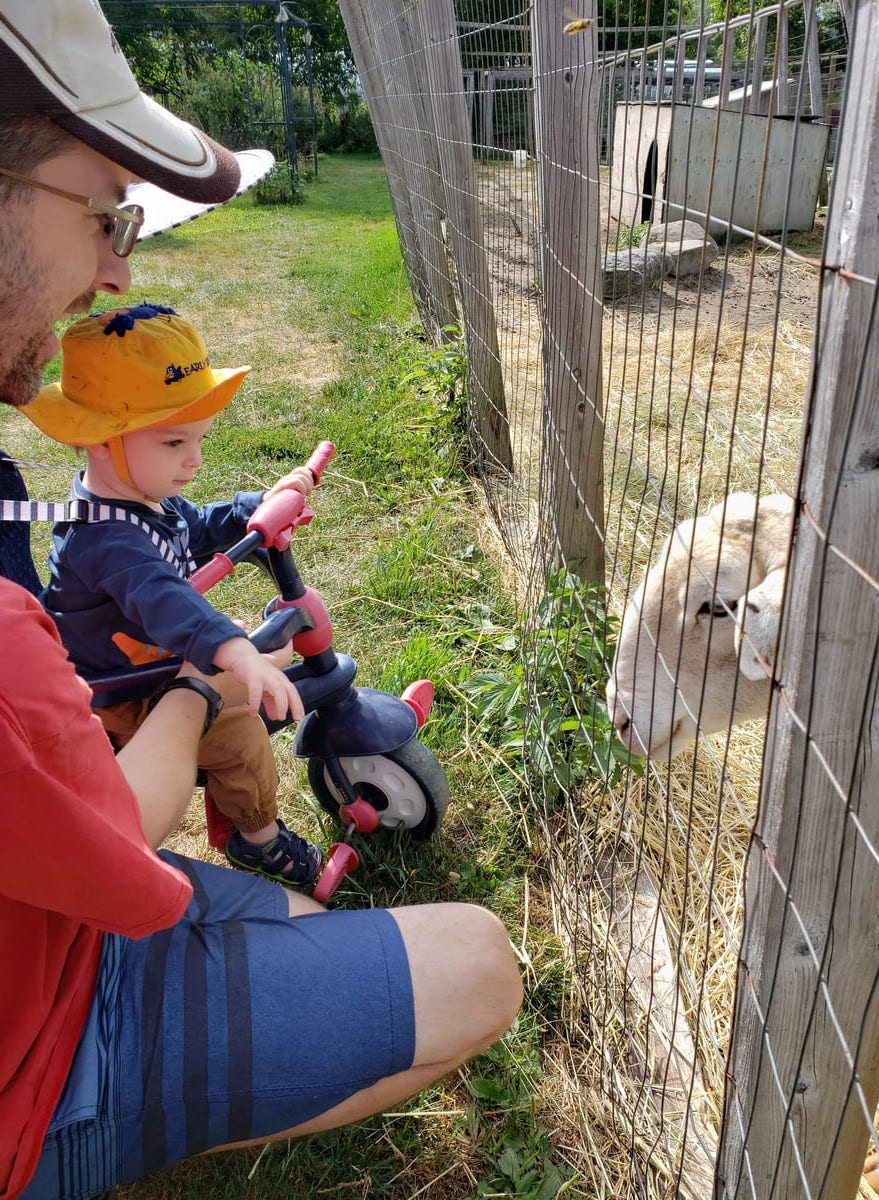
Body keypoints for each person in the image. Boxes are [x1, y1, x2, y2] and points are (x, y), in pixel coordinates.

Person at [0, 5, 523, 1200]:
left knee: (296, 911)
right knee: (469, 949)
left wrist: (254, 504)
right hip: (47, 1059)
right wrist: (215, 661)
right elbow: (127, 791)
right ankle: (237, 873)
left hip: (62, 936)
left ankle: (258, 886)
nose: (117, 265)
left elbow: (186, 526)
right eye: (103, 212)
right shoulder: (67, 577)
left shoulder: (56, 512)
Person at [26, 302, 323, 887]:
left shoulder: (142, 498)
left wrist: (250, 510)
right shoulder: (104, 542)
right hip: (120, 693)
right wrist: (231, 650)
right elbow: (164, 597)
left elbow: (196, 524)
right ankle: (257, 837)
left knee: (267, 657)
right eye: (173, 443)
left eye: (200, 439)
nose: (195, 459)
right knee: (242, 734)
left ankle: (244, 684)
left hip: (159, 655)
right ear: (102, 442)